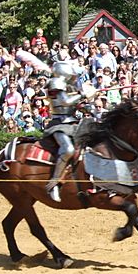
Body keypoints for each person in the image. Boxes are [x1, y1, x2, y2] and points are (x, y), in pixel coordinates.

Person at [44, 61, 95, 202]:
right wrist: (82, 94)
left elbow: (74, 104)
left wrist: (85, 106)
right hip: (59, 123)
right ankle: (53, 183)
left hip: (72, 122)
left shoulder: (67, 86)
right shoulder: (55, 83)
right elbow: (65, 102)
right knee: (68, 150)